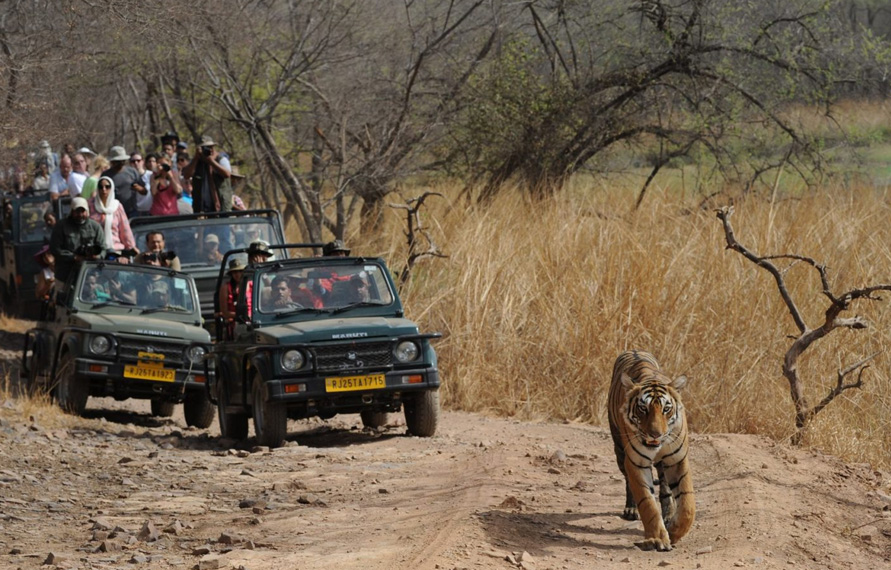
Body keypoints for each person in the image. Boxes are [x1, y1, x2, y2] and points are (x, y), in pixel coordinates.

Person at [49, 197, 105, 286]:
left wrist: (96, 256)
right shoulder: (61, 226)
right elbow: (55, 249)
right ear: (71, 211)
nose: (80, 215)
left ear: (87, 211)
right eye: (77, 212)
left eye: (83, 211)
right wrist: (74, 257)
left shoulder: (95, 227)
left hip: (90, 275)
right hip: (65, 275)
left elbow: (103, 248)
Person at [182, 135, 232, 213]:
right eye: (204, 148)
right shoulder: (196, 162)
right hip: (201, 208)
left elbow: (227, 174)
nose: (208, 150)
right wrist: (196, 158)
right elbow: (186, 175)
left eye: (210, 147)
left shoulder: (221, 159)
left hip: (222, 206)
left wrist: (212, 162)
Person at [89, 176, 137, 257]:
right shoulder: (90, 205)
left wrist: (131, 247)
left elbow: (124, 229)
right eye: (101, 187)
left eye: (107, 187)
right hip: (94, 252)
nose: (104, 189)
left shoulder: (117, 206)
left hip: (115, 250)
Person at [101, 146, 145, 219]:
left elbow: (144, 191)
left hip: (132, 211)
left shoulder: (132, 172)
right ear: (112, 162)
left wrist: (138, 188)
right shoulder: (106, 175)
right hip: (114, 211)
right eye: (117, 162)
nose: (120, 163)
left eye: (122, 161)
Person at [219, 258, 246, 337]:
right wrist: (242, 316)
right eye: (234, 272)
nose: (238, 274)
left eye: (240, 271)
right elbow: (225, 312)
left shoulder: (252, 285)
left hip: (255, 321)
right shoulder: (226, 288)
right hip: (235, 324)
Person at [132, 152, 153, 217]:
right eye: (133, 161)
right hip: (135, 211)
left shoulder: (151, 175)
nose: (136, 163)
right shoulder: (129, 177)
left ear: (143, 161)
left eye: (138, 160)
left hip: (150, 210)